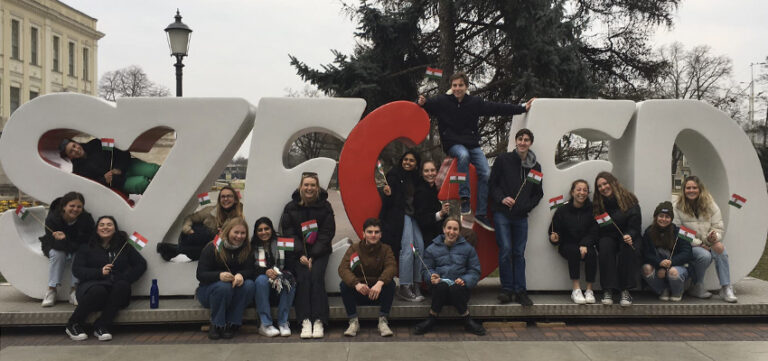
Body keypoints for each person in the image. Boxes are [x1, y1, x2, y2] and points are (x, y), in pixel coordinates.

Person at [417, 72, 534, 230]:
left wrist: (521, 108)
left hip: (471, 143)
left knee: (486, 173)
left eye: (460, 85)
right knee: (463, 155)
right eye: (455, 85)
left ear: (466, 86)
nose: (457, 88)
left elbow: (496, 108)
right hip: (453, 144)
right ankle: (465, 199)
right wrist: (421, 102)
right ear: (451, 87)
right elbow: (424, 104)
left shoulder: (474, 103)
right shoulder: (443, 101)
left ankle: (480, 214)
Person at [66, 216, 147, 341]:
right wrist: (99, 272)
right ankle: (73, 324)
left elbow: (141, 264)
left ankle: (102, 326)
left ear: (115, 229)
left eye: (109, 225)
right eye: (102, 225)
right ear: (97, 228)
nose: (105, 227)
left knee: (123, 286)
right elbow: (77, 270)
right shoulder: (86, 247)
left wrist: (125, 278)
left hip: (115, 291)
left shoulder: (124, 246)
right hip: (91, 289)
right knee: (99, 290)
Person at [488, 128, 543, 306]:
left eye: (526, 140)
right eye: (520, 139)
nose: (523, 142)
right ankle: (506, 289)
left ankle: (520, 291)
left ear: (530, 143)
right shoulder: (503, 160)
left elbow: (538, 194)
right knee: (505, 250)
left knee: (518, 253)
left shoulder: (535, 167)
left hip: (521, 216)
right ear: (516, 141)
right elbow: (492, 185)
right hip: (502, 213)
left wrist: (526, 206)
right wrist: (502, 198)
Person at [280, 172, 335, 339]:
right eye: (306, 185)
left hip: (319, 253)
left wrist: (313, 255)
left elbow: (327, 232)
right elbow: (288, 232)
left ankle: (319, 320)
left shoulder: (325, 206)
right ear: (300, 186)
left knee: (316, 277)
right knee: (303, 278)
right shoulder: (291, 207)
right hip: (298, 254)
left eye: (313, 185)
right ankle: (304, 320)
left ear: (317, 187)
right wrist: (301, 254)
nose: (309, 188)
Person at [414, 217, 485, 336]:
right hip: (439, 291)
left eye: (455, 229)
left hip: (459, 291)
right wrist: (431, 276)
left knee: (455, 288)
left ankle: (467, 320)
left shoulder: (468, 249)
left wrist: (465, 280)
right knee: (441, 287)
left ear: (459, 231)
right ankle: (432, 319)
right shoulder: (432, 249)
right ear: (443, 229)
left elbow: (474, 271)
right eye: (449, 228)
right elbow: (426, 269)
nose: (451, 232)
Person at [674, 176, 737, 303]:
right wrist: (699, 243)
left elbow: (718, 227)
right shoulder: (677, 206)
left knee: (720, 249)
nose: (691, 190)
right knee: (704, 256)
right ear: (684, 190)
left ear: (700, 189)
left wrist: (714, 237)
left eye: (694, 188)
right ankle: (698, 285)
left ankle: (725, 288)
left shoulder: (710, 204)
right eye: (688, 188)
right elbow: (678, 230)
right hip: (689, 245)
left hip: (708, 242)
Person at [196, 217, 256, 340]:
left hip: (234, 292)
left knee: (249, 285)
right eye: (236, 232)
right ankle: (216, 324)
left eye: (243, 233)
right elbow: (201, 274)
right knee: (223, 287)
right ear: (228, 232)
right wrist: (219, 276)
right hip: (209, 291)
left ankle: (232, 323)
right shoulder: (212, 248)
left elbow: (251, 270)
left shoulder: (247, 249)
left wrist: (241, 275)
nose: (239, 236)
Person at [379, 150, 426, 302]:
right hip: (400, 216)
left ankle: (416, 283)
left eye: (412, 160)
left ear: (416, 164)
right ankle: (405, 286)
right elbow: (388, 201)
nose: (407, 162)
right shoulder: (394, 175)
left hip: (413, 217)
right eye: (405, 159)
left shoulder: (417, 178)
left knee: (420, 246)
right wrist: (385, 193)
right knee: (408, 247)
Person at [338, 218, 396, 337]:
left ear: (381, 234)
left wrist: (380, 283)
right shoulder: (354, 248)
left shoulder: (386, 249)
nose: (373, 235)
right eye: (370, 232)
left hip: (377, 292)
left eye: (376, 232)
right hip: (360, 291)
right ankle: (353, 321)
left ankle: (383, 320)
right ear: (363, 234)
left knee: (391, 284)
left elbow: (392, 267)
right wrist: (356, 284)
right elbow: (343, 269)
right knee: (344, 285)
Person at [592, 171, 642, 307]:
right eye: (599, 186)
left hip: (627, 236)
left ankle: (625, 290)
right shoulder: (598, 204)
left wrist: (629, 235)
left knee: (627, 248)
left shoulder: (629, 199)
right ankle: (608, 289)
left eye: (605, 183)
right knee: (605, 245)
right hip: (608, 236)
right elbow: (597, 227)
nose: (603, 188)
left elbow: (635, 224)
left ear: (613, 183)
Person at [157, 186, 244, 261]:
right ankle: (178, 250)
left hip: (222, 246)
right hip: (196, 240)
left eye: (229, 196)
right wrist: (187, 228)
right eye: (223, 197)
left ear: (235, 199)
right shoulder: (211, 211)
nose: (226, 199)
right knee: (205, 233)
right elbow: (190, 218)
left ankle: (178, 250)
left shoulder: (241, 213)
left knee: (210, 244)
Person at [39, 192, 95, 307]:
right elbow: (53, 242)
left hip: (76, 246)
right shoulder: (53, 219)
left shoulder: (86, 219)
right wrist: (64, 242)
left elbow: (87, 240)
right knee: (58, 253)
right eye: (72, 206)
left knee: (79, 253)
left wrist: (66, 239)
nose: (75, 209)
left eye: (79, 207)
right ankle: (51, 289)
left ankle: (74, 290)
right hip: (54, 245)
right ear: (64, 206)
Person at [548, 180, 598, 304]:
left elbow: (595, 231)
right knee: (573, 251)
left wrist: (585, 244)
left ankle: (589, 290)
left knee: (592, 254)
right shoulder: (562, 210)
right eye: (579, 189)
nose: (582, 193)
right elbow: (554, 230)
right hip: (568, 245)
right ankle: (576, 290)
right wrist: (554, 237)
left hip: (587, 244)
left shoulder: (593, 209)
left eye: (585, 190)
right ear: (572, 192)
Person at [59, 138, 159, 195]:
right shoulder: (78, 172)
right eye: (71, 151)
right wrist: (104, 179)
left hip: (128, 165)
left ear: (76, 142)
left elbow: (121, 150)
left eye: (74, 146)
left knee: (152, 170)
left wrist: (119, 168)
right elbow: (92, 188)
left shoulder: (96, 142)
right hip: (120, 183)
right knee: (141, 184)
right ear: (69, 156)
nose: (75, 150)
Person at [252, 217, 297, 337]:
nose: (263, 232)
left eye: (266, 229)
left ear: (271, 229)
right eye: (260, 230)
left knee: (289, 279)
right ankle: (265, 324)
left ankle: (283, 322)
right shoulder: (251, 246)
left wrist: (280, 274)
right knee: (261, 280)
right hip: (262, 290)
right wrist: (265, 271)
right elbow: (250, 269)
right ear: (256, 232)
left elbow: (291, 263)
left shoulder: (282, 242)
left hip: (280, 287)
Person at [642, 201, 692, 302]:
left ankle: (677, 292)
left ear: (671, 219)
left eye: (667, 217)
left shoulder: (680, 232)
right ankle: (663, 290)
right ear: (656, 217)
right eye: (661, 216)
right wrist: (659, 263)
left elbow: (687, 253)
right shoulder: (649, 232)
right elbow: (645, 253)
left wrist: (671, 263)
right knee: (646, 268)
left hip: (678, 268)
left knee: (673, 272)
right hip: (658, 269)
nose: (663, 219)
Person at [414, 160, 451, 247]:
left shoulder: (437, 189)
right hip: (429, 239)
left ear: (437, 171)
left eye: (432, 170)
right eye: (426, 171)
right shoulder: (420, 192)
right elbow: (422, 220)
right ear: (422, 173)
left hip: (442, 234)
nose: (430, 173)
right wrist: (441, 214)